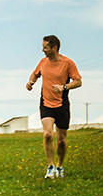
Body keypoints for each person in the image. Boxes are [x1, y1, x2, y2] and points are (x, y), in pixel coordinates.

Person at [26, 34, 82, 179]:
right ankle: (50, 167)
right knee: (47, 134)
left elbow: (78, 82)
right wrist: (30, 83)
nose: (42, 50)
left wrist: (64, 87)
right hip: (46, 103)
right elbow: (35, 74)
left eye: (45, 47)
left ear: (54, 48)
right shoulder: (43, 62)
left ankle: (60, 166)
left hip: (62, 105)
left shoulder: (68, 63)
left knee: (62, 140)